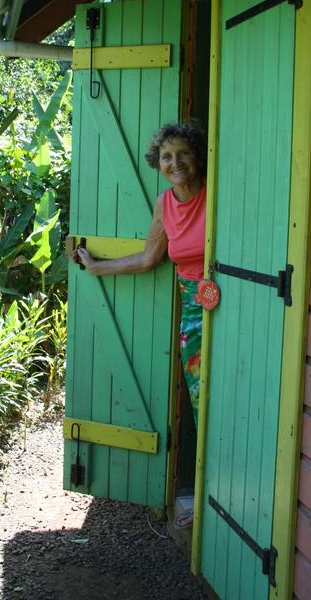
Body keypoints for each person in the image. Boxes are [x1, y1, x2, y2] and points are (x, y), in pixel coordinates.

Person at [73, 119, 207, 429]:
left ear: (198, 156)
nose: (175, 162)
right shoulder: (164, 204)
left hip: (229, 301)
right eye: (166, 157)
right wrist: (96, 267)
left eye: (184, 153)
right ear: (158, 164)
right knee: (201, 393)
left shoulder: (216, 193)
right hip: (192, 311)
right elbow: (149, 257)